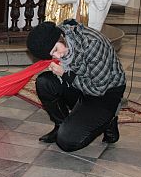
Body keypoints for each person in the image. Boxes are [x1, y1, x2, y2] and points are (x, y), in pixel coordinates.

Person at [26, 20, 126, 152]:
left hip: (105, 92)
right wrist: (65, 73)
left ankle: (109, 120)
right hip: (81, 84)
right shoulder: (62, 37)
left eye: (56, 49)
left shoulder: (92, 44)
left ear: (61, 37)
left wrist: (65, 74)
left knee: (66, 142)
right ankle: (60, 125)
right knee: (44, 82)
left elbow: (98, 89)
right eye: (52, 55)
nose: (57, 56)